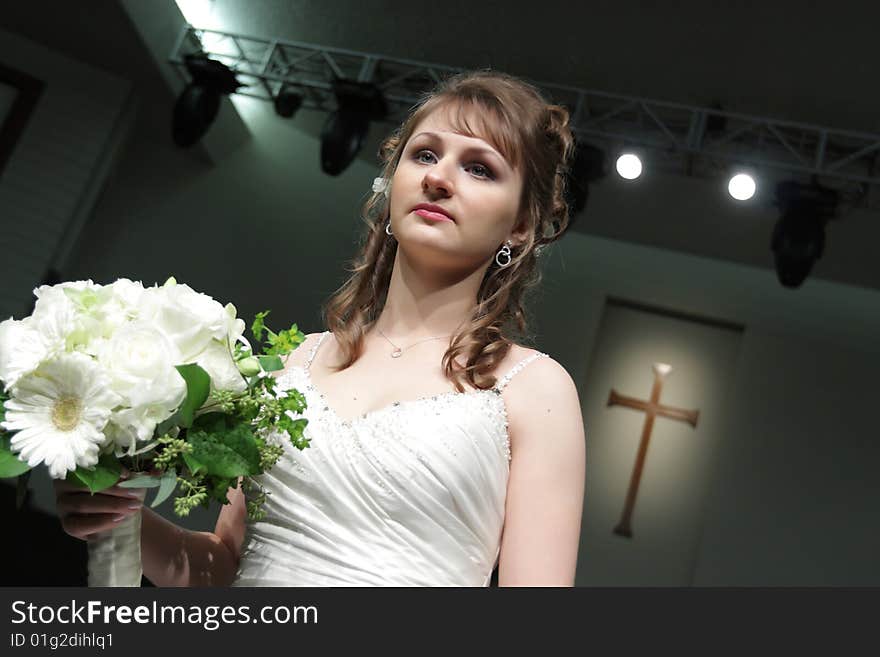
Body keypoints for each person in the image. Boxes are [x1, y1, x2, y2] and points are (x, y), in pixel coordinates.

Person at [54, 69, 586, 586]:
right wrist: (121, 518)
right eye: (425, 154)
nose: (438, 178)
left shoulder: (531, 389)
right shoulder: (298, 363)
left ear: (521, 224)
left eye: (480, 168)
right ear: (392, 181)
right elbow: (221, 569)